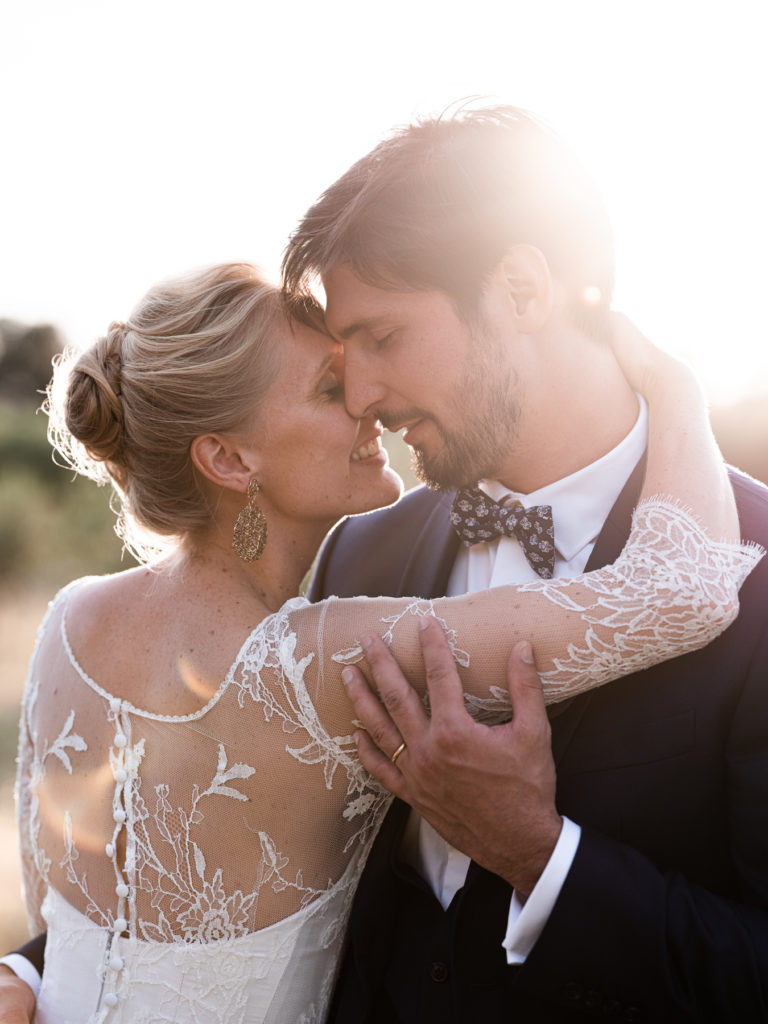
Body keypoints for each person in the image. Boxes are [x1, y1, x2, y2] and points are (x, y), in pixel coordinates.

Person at [0, 257, 760, 1024]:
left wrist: (24, 977)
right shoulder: (320, 658)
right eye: (330, 390)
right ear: (229, 459)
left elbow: (89, 922)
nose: (369, 401)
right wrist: (674, 390)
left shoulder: (70, 622)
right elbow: (683, 588)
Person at [279, 104, 768, 1021]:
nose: (362, 396)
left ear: (522, 289)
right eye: (344, 358)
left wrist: (543, 857)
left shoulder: (759, 565)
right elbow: (255, 824)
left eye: (384, 339)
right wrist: (46, 968)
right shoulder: (362, 547)